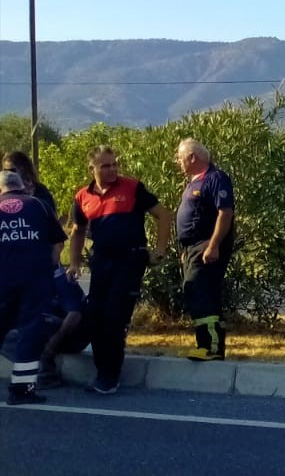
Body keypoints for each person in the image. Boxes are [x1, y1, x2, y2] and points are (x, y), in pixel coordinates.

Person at [67, 145, 171, 395]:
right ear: (92, 168)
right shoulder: (83, 196)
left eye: (114, 164)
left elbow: (164, 215)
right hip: (101, 261)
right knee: (94, 316)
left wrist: (160, 249)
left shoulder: (132, 187)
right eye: (106, 165)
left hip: (130, 259)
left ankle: (109, 377)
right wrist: (74, 262)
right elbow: (77, 231)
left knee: (114, 317)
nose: (112, 169)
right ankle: (102, 372)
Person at [0, 168, 66, 404]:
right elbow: (57, 243)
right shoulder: (39, 206)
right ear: (22, 185)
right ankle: (21, 390)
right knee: (30, 333)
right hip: (34, 282)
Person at [173, 137, 236, 361]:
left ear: (192, 157)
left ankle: (213, 347)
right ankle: (204, 345)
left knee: (203, 294)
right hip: (193, 248)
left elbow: (225, 213)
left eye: (180, 158)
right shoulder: (193, 182)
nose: (178, 162)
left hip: (207, 246)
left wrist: (213, 245)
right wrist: (186, 248)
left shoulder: (215, 178)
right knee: (194, 293)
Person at [1, 149, 57, 221]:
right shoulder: (2, 194)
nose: (8, 174)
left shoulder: (40, 191)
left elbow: (52, 221)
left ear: (23, 169)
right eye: (5, 171)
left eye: (11, 171)